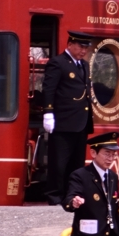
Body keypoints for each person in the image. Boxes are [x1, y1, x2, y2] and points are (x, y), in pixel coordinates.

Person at [42, 31, 94, 205]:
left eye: (86, 47)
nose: (83, 50)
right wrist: (48, 112)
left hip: (81, 121)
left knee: (77, 163)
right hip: (64, 121)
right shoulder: (58, 63)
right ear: (70, 44)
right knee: (59, 162)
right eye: (80, 46)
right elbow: (49, 89)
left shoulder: (84, 65)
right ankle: (55, 195)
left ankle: (72, 196)